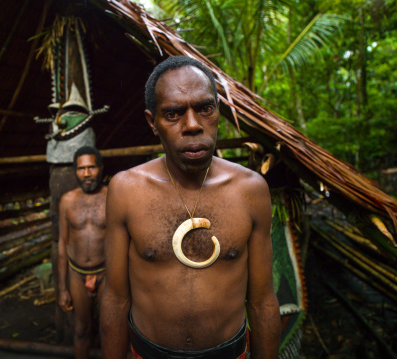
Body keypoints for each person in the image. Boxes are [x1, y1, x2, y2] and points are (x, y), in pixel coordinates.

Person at [100, 56, 280, 359]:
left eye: (205, 108)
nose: (193, 125)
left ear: (218, 112)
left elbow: (262, 301)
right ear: (152, 122)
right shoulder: (125, 190)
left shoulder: (251, 190)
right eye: (173, 113)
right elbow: (115, 299)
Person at [58, 146, 108, 359]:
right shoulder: (67, 201)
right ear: (75, 171)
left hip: (106, 273)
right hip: (77, 274)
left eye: (91, 168)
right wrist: (62, 288)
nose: (86, 174)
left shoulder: (112, 196)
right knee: (81, 330)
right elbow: (62, 243)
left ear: (100, 168)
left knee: (110, 330)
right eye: (81, 169)